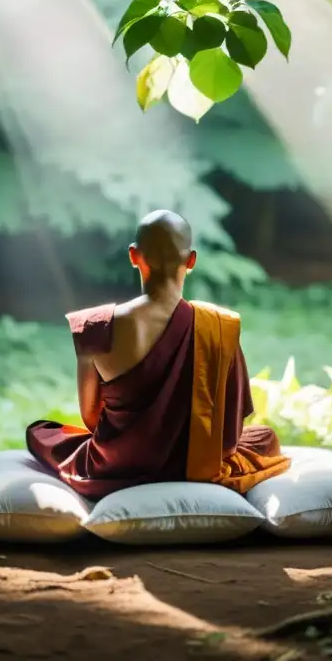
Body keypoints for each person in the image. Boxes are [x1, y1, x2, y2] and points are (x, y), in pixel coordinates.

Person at [26, 210, 291, 499]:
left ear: (133, 255)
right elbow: (228, 438)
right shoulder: (218, 327)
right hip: (193, 462)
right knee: (265, 438)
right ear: (191, 260)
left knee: (43, 432)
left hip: (117, 462)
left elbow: (91, 419)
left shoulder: (96, 326)